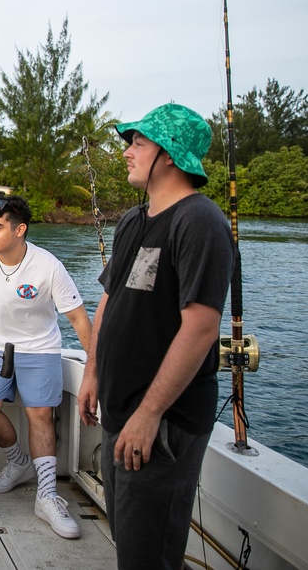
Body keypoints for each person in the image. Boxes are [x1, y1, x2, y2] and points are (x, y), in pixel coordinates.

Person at [78, 104, 235, 569]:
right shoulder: (132, 220)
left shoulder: (200, 222)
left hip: (163, 424)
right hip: (121, 412)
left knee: (149, 555)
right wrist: (91, 372)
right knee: (130, 542)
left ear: (168, 156)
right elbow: (110, 300)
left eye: (138, 143)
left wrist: (150, 413)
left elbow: (202, 327)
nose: (127, 152)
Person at [0, 195, 92, 540]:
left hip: (40, 348)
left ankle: (46, 495)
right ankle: (18, 462)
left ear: (20, 230)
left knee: (39, 415)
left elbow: (79, 319)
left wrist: (97, 369)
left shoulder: (48, 266)